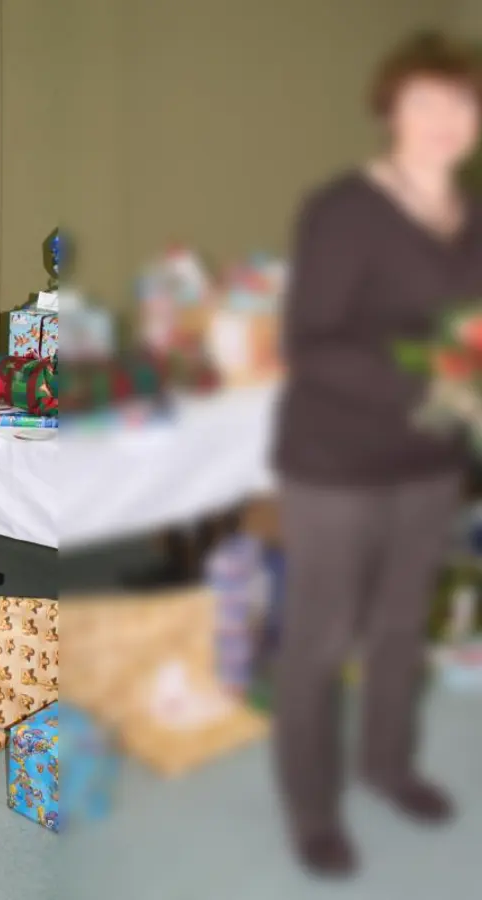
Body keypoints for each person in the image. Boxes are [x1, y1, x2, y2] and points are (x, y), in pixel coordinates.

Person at [274, 31, 481, 878]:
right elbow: (311, 342)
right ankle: (315, 810)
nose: (444, 122)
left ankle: (388, 767)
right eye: (426, 103)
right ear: (391, 110)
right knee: (321, 642)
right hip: (336, 463)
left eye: (461, 105)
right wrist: (436, 376)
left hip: (429, 464)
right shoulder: (345, 210)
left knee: (401, 630)